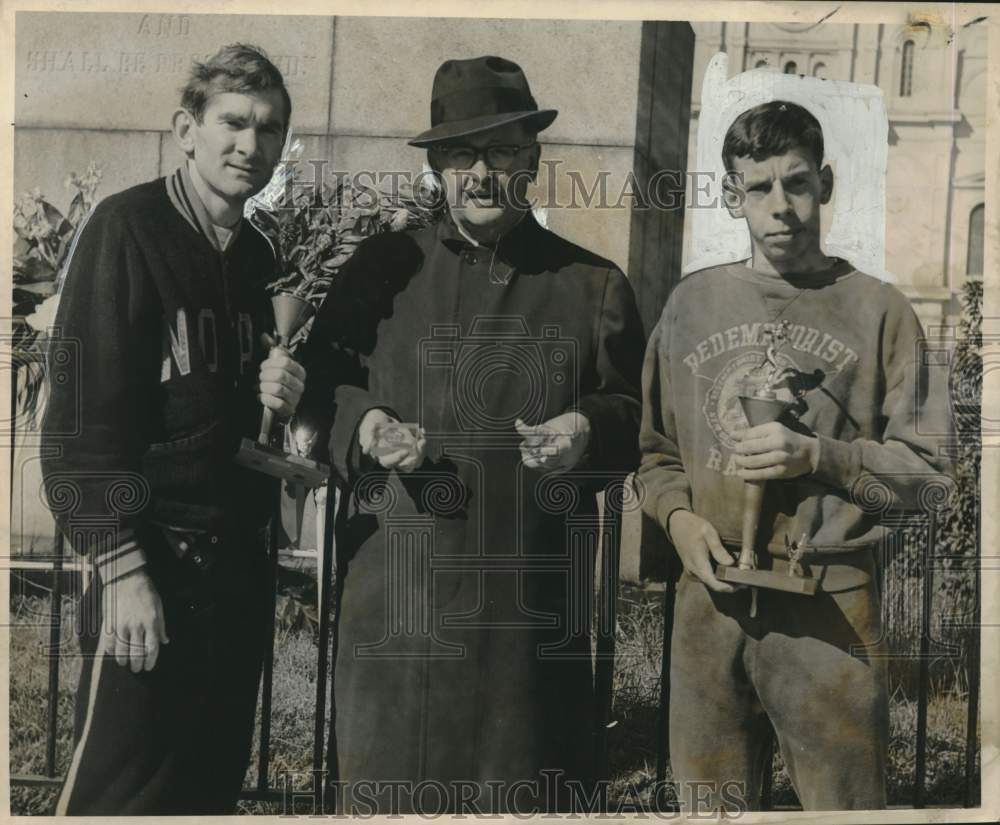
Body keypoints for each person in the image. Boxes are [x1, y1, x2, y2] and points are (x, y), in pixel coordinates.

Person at [297, 55, 645, 814]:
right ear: (437, 167)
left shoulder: (592, 285)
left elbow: (636, 414)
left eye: (503, 152)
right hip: (396, 611)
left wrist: (587, 427)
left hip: (525, 623)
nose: (481, 174)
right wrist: (368, 423)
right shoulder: (381, 269)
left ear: (534, 161)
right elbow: (318, 391)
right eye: (461, 154)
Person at [638, 100, 952, 812]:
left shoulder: (880, 311)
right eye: (758, 187)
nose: (780, 206)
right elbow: (655, 456)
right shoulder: (691, 305)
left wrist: (818, 454)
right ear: (732, 196)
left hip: (828, 613)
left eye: (798, 182)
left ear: (826, 184)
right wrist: (680, 521)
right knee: (708, 812)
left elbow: (930, 477)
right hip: (709, 605)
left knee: (843, 810)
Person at [40, 44, 306, 815]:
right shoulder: (127, 228)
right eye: (233, 123)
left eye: (269, 129)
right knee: (119, 795)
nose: (250, 145)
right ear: (186, 131)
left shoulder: (259, 257)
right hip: (151, 562)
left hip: (234, 577)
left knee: (205, 792)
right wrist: (121, 569)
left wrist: (282, 403)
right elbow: (79, 426)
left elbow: (227, 425)